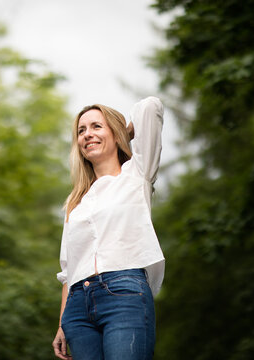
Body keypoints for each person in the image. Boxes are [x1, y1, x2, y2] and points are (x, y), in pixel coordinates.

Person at [52, 97, 165, 360]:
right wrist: (61, 323)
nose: (87, 134)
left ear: (115, 133)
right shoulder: (75, 202)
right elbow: (69, 270)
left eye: (96, 127)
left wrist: (122, 134)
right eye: (81, 131)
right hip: (78, 309)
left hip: (125, 294)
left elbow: (151, 106)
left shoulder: (137, 174)